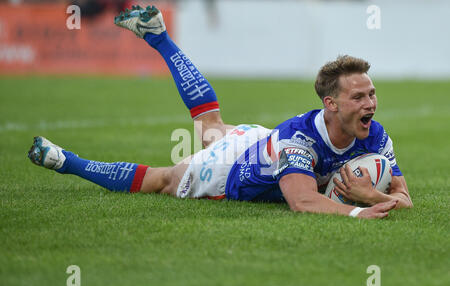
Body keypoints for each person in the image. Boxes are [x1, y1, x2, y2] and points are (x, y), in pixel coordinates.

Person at [28, 5, 413, 219]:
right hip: (231, 170)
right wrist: (359, 211)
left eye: (372, 95)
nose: (371, 105)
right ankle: (66, 161)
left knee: (209, 122)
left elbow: (405, 198)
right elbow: (302, 202)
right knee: (163, 179)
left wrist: (373, 195)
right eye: (360, 97)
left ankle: (158, 36)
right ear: (331, 104)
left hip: (259, 140)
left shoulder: (376, 135)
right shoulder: (301, 138)